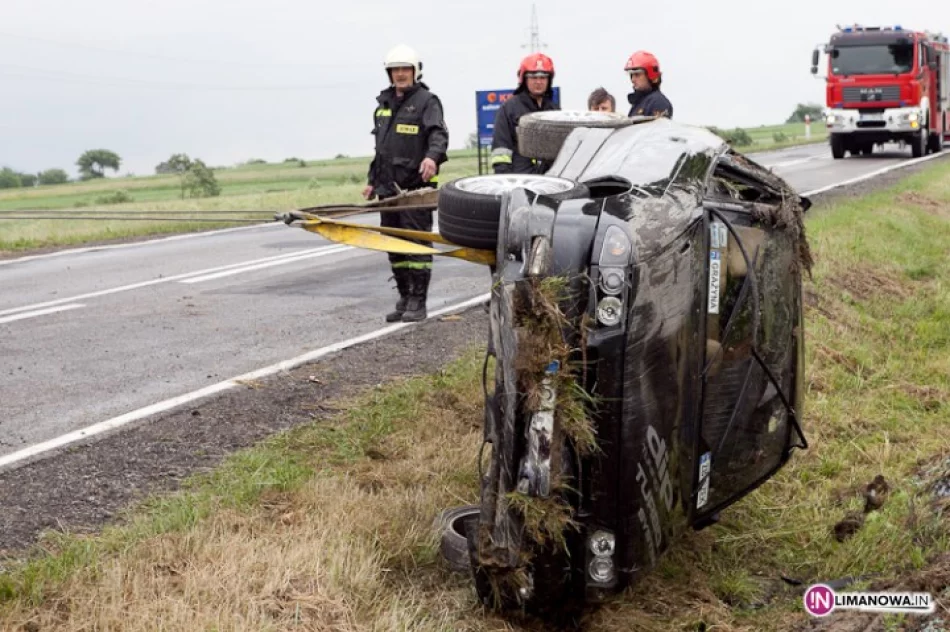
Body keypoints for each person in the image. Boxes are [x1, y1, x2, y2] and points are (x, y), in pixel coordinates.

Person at [363, 44, 449, 323]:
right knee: (394, 246)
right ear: (389, 73)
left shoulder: (427, 101)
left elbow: (438, 135)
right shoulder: (383, 106)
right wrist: (372, 182)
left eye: (405, 69)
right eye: (395, 70)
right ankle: (403, 297)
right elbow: (382, 150)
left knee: (416, 246)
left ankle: (418, 301)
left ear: (415, 71)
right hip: (387, 191)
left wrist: (432, 158)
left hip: (415, 189)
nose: (400, 74)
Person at [490, 52, 559, 174]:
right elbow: (500, 151)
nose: (538, 82)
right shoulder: (508, 109)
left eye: (543, 77)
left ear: (549, 80)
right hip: (520, 180)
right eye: (533, 77)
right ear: (524, 79)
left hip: (550, 179)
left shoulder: (554, 111)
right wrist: (506, 181)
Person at [624, 50, 673, 119]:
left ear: (651, 76)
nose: (633, 80)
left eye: (637, 74)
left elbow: (656, 129)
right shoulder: (640, 103)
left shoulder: (658, 102)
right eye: (631, 75)